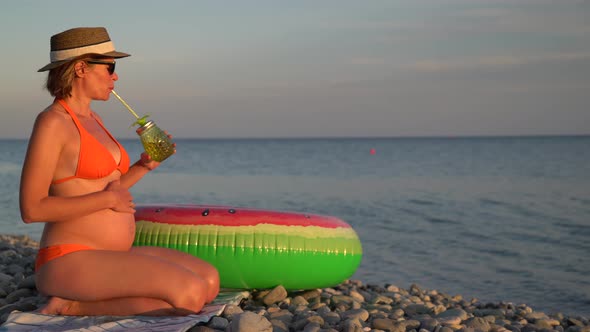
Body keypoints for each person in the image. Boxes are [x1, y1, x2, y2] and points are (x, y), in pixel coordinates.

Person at [19, 27, 219, 316]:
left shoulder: (93, 118)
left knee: (210, 281)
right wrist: (108, 202)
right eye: (110, 67)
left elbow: (109, 186)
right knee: (191, 294)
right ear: (80, 68)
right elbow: (32, 209)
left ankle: (83, 301)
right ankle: (73, 305)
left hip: (110, 255)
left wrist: (143, 166)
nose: (115, 76)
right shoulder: (53, 123)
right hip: (70, 257)